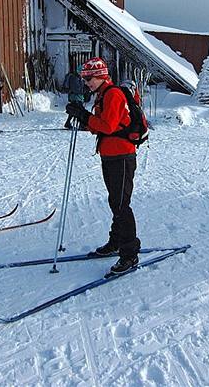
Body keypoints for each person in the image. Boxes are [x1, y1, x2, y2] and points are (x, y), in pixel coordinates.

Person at [65, 57, 141, 275]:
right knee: (115, 201)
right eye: (84, 78)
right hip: (110, 155)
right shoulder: (102, 95)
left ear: (101, 76)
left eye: (89, 78)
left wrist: (84, 116)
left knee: (121, 205)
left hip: (122, 156)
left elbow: (107, 126)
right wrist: (84, 117)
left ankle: (129, 254)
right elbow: (100, 128)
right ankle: (116, 242)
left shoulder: (114, 94)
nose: (86, 82)